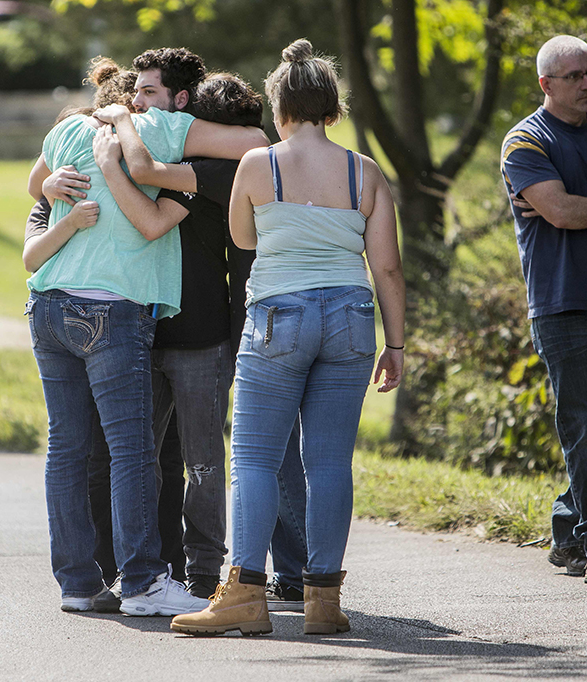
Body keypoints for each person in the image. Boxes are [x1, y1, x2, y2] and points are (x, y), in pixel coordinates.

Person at [171, 39, 405, 637]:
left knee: (253, 458)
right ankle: (323, 599)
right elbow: (388, 268)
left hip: (279, 314)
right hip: (352, 317)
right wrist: (396, 344)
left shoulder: (259, 164)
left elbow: (244, 241)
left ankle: (244, 591)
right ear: (333, 109)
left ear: (278, 108)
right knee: (328, 463)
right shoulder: (365, 172)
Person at [26, 65, 267, 616]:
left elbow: (36, 182)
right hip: (113, 304)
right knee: (134, 452)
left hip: (48, 302)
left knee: (67, 448)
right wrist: (134, 144)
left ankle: (79, 584)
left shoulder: (70, 128)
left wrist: (48, 183)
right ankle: (141, 584)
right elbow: (254, 140)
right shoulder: (164, 126)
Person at [90, 71, 264, 599]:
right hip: (143, 330)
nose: (140, 107)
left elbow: (239, 270)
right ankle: (150, 567)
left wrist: (234, 345)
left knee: (204, 464)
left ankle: (205, 571)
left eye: (151, 96)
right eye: (134, 97)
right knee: (145, 460)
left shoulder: (208, 171)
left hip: (201, 338)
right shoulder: (150, 153)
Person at [501, 35, 587, 585]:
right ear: (546, 84)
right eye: (576, 75)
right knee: (581, 424)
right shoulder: (523, 141)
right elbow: (557, 212)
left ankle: (566, 530)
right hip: (560, 305)